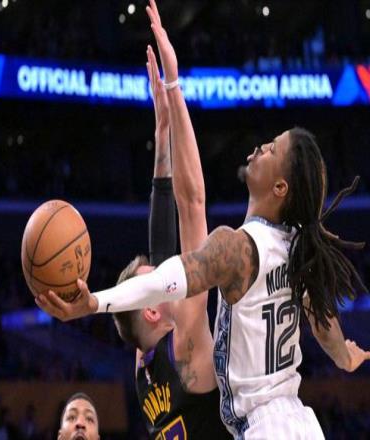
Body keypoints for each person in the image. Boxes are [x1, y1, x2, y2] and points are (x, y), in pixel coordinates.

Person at [36, 1, 370, 437]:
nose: (259, 147)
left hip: (266, 427)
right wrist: (343, 356)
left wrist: (94, 303)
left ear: (280, 188)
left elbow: (184, 226)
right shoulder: (296, 246)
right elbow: (320, 318)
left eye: (272, 148)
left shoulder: (235, 253)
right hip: (298, 421)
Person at [111, 42, 230, 439]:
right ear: (150, 312)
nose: (167, 271)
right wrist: (175, 85)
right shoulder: (186, 341)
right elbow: (193, 206)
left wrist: (161, 135)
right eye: (159, 278)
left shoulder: (142, 366)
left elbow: (161, 247)